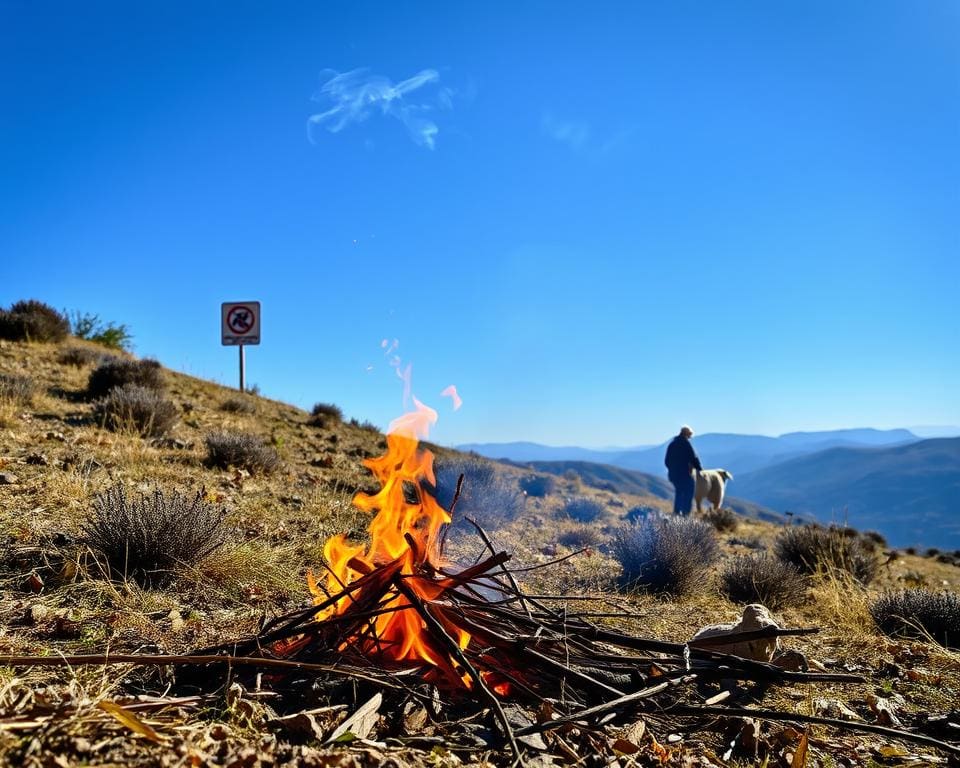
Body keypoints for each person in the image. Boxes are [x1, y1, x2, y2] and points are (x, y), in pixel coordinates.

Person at [664, 425, 702, 515]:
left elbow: (667, 461)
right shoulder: (686, 444)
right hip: (685, 474)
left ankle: (677, 512)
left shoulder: (672, 444)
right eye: (689, 435)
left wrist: (672, 470)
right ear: (686, 434)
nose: (690, 437)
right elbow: (693, 457)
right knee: (689, 491)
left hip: (674, 475)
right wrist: (699, 468)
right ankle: (686, 513)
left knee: (679, 492)